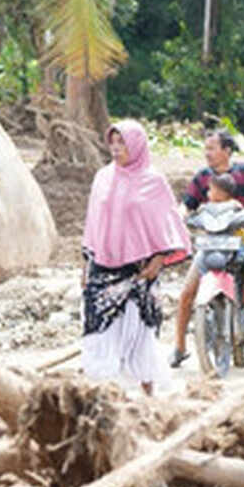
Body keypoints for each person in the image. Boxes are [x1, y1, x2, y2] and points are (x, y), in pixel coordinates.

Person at [81, 120, 190, 396]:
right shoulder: (103, 178)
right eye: (113, 143)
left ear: (137, 146)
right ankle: (103, 398)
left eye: (123, 143)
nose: (116, 149)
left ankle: (148, 399)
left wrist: (158, 261)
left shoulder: (153, 181)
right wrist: (86, 263)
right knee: (101, 334)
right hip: (103, 271)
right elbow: (93, 223)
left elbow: (166, 223)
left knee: (139, 336)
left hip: (139, 273)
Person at [171, 129, 244, 368]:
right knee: (186, 294)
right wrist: (180, 215)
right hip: (213, 242)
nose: (207, 154)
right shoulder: (203, 177)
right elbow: (188, 203)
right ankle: (180, 347)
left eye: (212, 148)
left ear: (227, 151)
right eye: (205, 149)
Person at [193, 173, 244, 311]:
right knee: (200, 261)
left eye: (211, 189)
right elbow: (197, 216)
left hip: (238, 244)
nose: (208, 193)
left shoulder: (234, 206)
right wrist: (193, 219)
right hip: (213, 244)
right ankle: (205, 285)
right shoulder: (206, 207)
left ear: (222, 192)